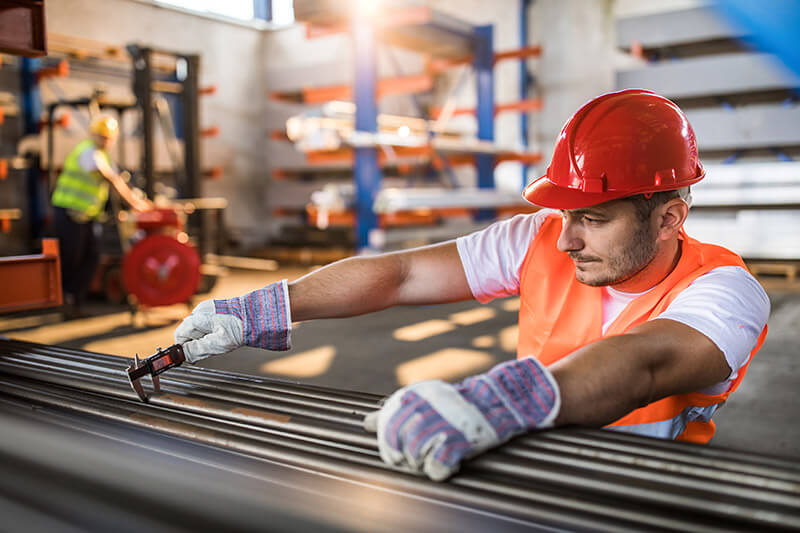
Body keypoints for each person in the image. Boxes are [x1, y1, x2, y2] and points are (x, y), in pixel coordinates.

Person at [174, 89, 769, 481]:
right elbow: (402, 274)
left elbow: (647, 363)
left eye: (592, 218)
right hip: (520, 472)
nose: (566, 241)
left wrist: (498, 400)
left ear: (669, 217)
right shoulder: (539, 239)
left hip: (641, 500)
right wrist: (269, 306)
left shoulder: (725, 289)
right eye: (565, 215)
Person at [51, 115, 151, 317]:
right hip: (69, 213)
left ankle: (74, 302)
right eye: (102, 136)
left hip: (87, 216)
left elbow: (119, 180)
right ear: (93, 135)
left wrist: (138, 198)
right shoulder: (88, 152)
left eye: (109, 137)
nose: (105, 140)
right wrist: (134, 203)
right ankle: (63, 303)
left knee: (92, 256)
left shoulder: (103, 155)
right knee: (71, 259)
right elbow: (110, 178)